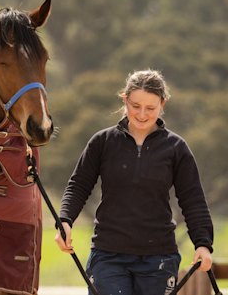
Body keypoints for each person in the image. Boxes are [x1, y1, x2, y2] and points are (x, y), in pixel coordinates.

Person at [55, 69, 213, 295]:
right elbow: (79, 185)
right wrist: (65, 220)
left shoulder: (176, 148)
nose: (141, 114)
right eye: (135, 106)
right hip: (108, 256)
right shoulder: (102, 142)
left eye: (150, 108)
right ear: (124, 99)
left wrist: (203, 243)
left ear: (162, 104)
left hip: (159, 259)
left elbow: (193, 200)